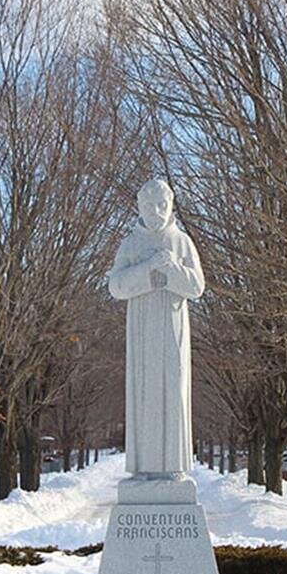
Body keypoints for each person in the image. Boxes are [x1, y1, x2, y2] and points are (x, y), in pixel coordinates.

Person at [108, 179, 205, 477]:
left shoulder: (182, 241)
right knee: (144, 392)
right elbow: (117, 286)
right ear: (139, 206)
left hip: (173, 329)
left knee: (174, 391)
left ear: (171, 204)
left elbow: (197, 286)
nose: (156, 211)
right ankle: (145, 468)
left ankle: (174, 466)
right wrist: (149, 269)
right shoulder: (131, 243)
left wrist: (171, 269)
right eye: (149, 205)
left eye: (162, 204)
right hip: (141, 333)